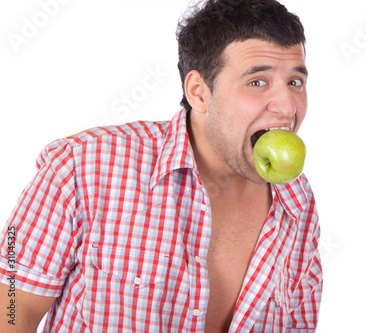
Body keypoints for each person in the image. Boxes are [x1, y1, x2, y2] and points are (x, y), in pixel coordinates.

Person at [0, 0, 322, 331]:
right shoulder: (84, 165)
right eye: (258, 82)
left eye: (295, 82)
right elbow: (11, 302)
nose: (287, 106)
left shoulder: (296, 200)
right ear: (199, 92)